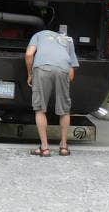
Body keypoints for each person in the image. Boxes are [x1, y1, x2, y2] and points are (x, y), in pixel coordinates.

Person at [25, 26, 79, 156]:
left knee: (40, 109)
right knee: (64, 109)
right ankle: (64, 146)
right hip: (63, 69)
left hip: (42, 68)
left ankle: (44, 148)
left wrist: (30, 74)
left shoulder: (39, 35)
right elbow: (71, 73)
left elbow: (29, 54)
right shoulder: (67, 39)